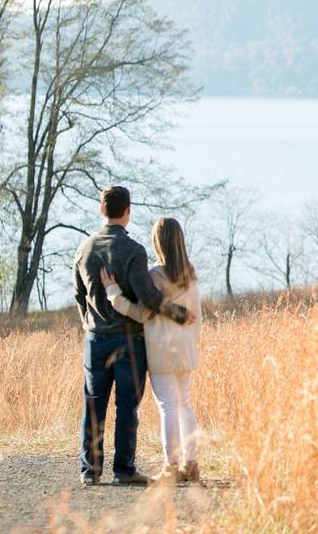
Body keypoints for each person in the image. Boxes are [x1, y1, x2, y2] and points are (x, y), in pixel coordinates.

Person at [73, 186, 191, 486]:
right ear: (128, 210)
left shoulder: (83, 249)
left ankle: (90, 471)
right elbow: (149, 298)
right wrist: (179, 313)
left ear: (102, 210)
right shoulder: (134, 251)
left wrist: (89, 323)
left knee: (93, 405)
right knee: (127, 406)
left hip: (95, 339)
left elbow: (78, 294)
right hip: (128, 340)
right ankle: (123, 470)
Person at [101, 216, 203, 483]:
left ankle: (171, 467)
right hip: (186, 349)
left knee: (167, 406)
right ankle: (191, 464)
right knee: (184, 404)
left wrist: (114, 294)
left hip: (162, 350)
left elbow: (141, 313)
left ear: (157, 242)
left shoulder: (156, 276)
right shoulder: (190, 273)